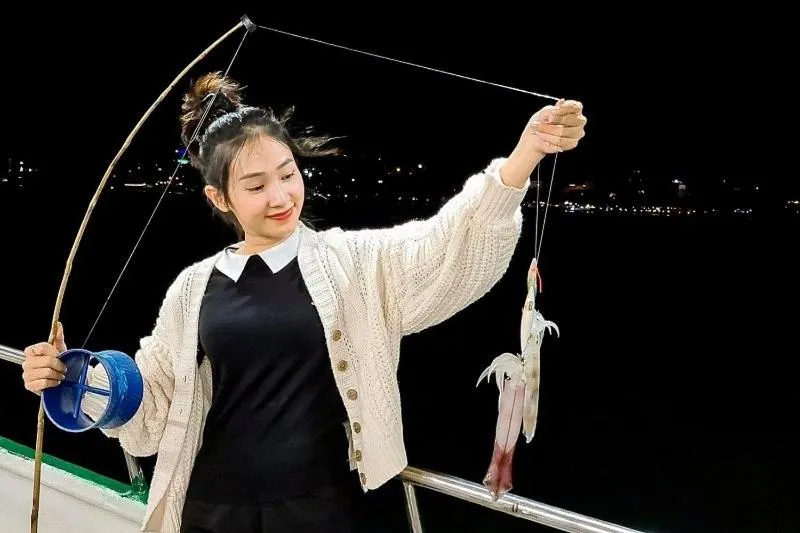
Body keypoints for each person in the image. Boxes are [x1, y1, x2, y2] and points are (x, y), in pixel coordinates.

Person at [21, 71, 587, 532]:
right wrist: (73, 378)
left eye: (287, 174)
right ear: (219, 198)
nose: (280, 196)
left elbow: (447, 243)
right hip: (211, 510)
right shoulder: (192, 287)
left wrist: (523, 158)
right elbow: (150, 404)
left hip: (323, 510)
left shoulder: (357, 263)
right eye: (256, 185)